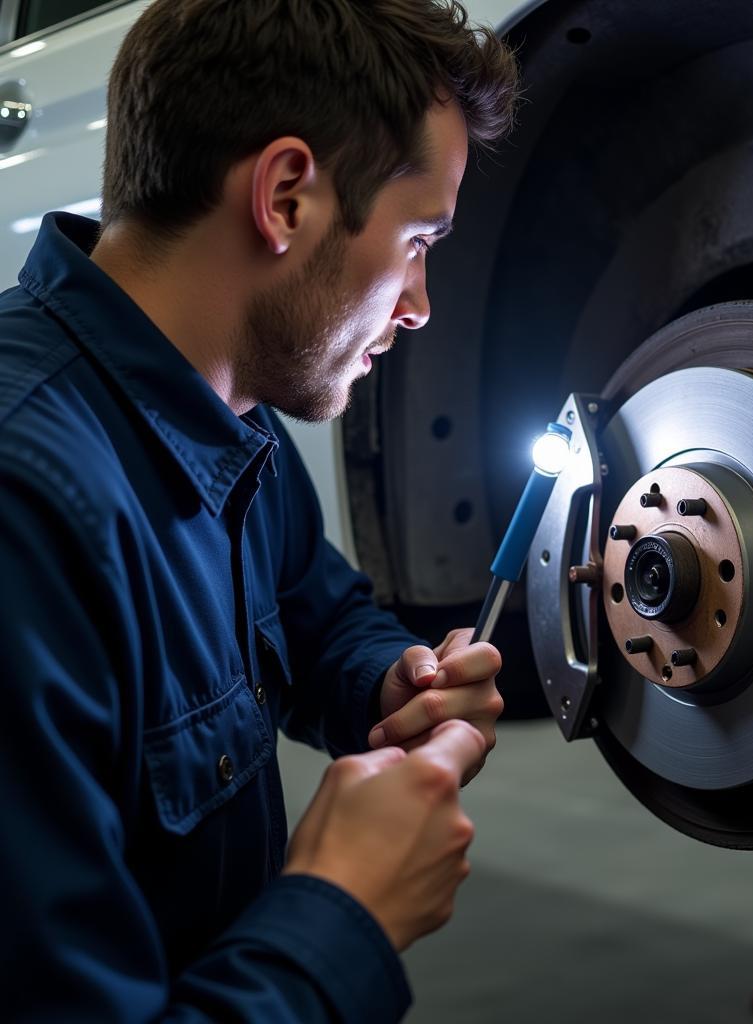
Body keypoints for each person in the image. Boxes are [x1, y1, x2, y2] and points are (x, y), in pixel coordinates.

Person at [0, 1, 520, 1020]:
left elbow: (320, 611)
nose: (420, 302)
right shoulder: (30, 518)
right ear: (286, 197)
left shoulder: (226, 416)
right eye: (417, 239)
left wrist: (387, 680)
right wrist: (345, 910)